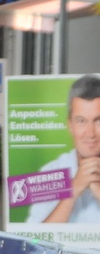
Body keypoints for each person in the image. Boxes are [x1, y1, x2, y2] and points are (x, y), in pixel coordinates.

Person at [25, 74, 100, 224]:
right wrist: (73, 190)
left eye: (98, 121)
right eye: (81, 121)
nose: (90, 133)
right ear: (70, 125)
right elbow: (34, 240)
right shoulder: (50, 172)